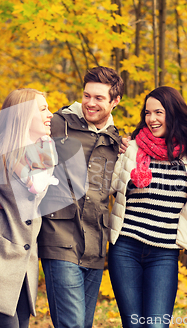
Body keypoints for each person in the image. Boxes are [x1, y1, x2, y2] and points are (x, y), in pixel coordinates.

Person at [107, 86, 187, 328]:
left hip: (164, 253)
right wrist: (112, 146)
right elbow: (107, 186)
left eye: (158, 112)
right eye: (148, 113)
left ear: (172, 113)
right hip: (126, 248)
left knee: (156, 325)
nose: (151, 119)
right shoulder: (131, 148)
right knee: (133, 324)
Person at [37, 66, 124, 328]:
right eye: (87, 96)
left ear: (115, 101)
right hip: (59, 237)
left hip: (95, 244)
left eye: (99, 98)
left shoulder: (114, 140)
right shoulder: (58, 124)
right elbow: (10, 146)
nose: (90, 103)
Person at [0, 89, 57, 328]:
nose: (50, 114)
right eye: (43, 108)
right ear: (24, 114)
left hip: (26, 260)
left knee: (22, 324)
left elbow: (38, 189)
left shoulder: (45, 150)